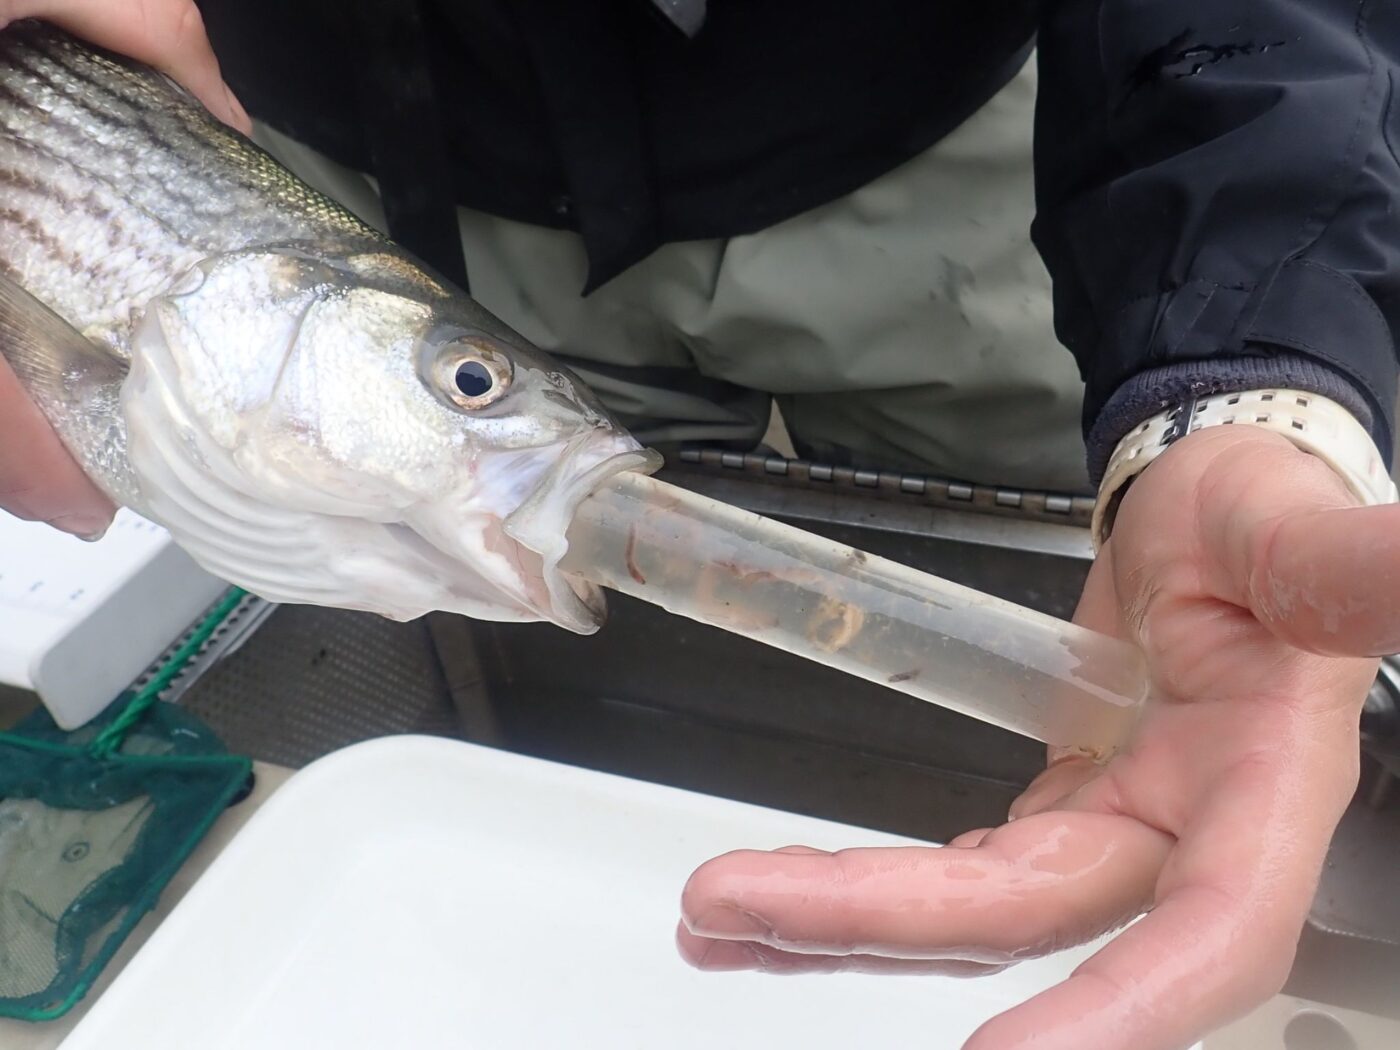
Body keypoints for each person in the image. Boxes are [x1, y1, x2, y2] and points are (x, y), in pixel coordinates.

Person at [2, 2, 1399, 1047]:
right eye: (470, 393)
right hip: (344, 158)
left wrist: (1242, 360)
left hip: (966, 152)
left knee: (1122, 586)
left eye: (472, 390)